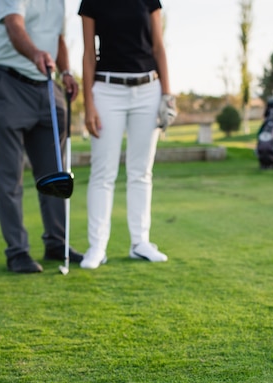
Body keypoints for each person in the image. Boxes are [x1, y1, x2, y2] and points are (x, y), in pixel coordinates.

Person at [0, 0, 84, 273]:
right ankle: (17, 252)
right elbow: (15, 26)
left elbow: (58, 39)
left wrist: (67, 72)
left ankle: (56, 243)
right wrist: (35, 53)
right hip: (6, 81)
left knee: (56, 172)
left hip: (46, 85)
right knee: (9, 174)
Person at [78, 0, 177, 269]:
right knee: (102, 173)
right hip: (107, 91)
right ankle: (97, 247)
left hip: (148, 89)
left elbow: (158, 46)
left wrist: (167, 95)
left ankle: (140, 243)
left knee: (141, 172)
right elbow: (89, 55)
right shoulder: (91, 1)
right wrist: (89, 104)